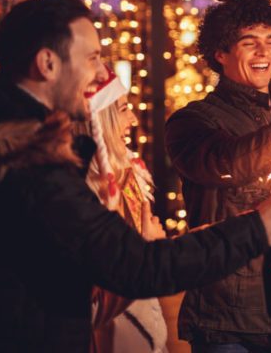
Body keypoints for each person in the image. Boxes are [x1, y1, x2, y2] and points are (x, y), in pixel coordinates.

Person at [0, 0, 271, 351]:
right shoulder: (24, 160)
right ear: (47, 63)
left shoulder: (10, 140)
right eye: (91, 58)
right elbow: (135, 267)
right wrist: (257, 228)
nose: (97, 73)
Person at [164, 0, 271, 352]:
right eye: (249, 43)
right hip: (229, 316)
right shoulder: (192, 121)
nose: (264, 52)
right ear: (220, 54)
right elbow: (226, 163)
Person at [83, 67, 169, 352]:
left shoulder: (128, 174)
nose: (133, 119)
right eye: (123, 109)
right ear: (100, 119)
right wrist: (147, 246)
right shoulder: (84, 191)